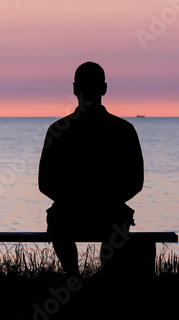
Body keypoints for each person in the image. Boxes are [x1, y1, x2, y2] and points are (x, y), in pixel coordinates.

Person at [38, 61, 144, 277]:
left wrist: (71, 200)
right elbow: (135, 181)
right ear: (104, 89)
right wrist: (108, 199)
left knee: (59, 222)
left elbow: (45, 182)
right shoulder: (124, 130)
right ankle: (104, 279)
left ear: (75, 89)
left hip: (68, 214)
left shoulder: (57, 130)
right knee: (116, 223)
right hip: (110, 213)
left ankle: (73, 278)